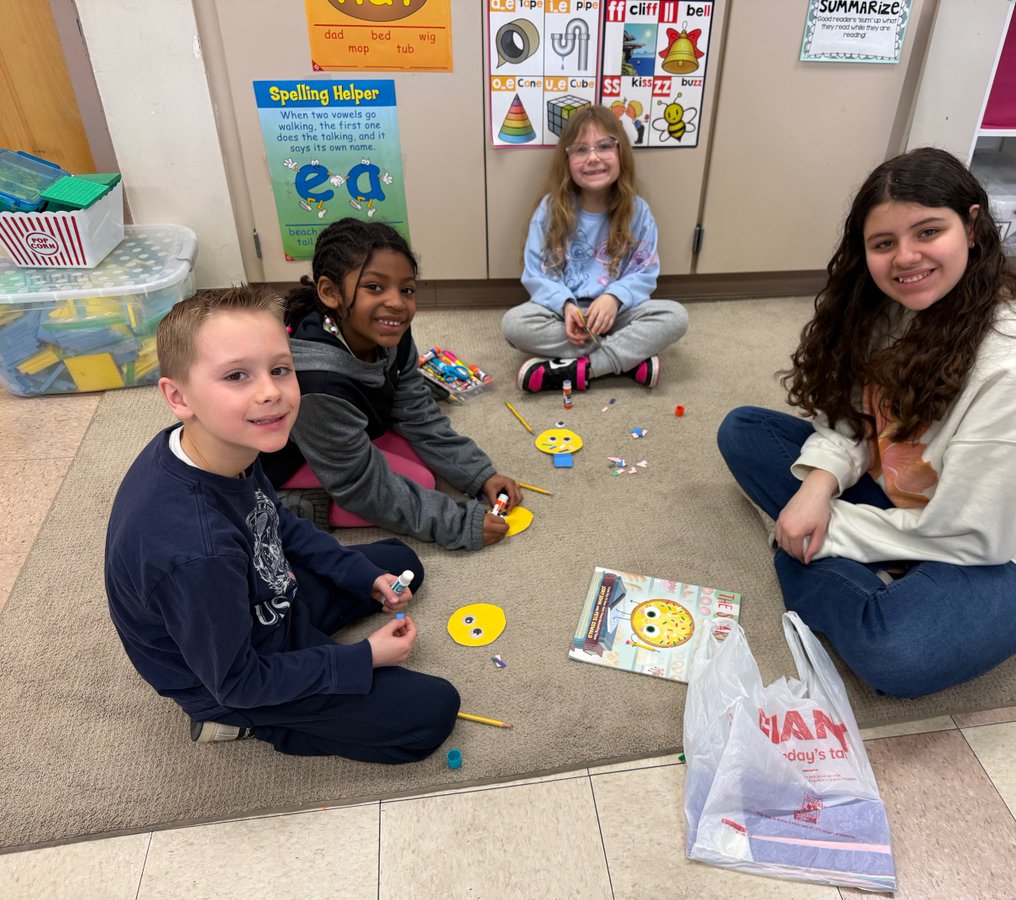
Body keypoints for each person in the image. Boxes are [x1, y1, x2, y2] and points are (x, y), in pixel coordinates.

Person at [717, 147, 1016, 699]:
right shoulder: (894, 305)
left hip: (1008, 551)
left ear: (971, 226)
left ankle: (815, 559)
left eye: (927, 232)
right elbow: (855, 418)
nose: (905, 258)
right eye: (884, 243)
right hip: (910, 501)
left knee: (896, 653)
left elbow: (979, 535)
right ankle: (872, 559)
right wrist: (819, 486)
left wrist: (828, 529)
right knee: (744, 432)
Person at [105, 287, 459, 763]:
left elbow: (275, 526)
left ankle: (313, 635)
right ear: (178, 396)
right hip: (230, 680)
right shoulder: (196, 551)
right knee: (433, 712)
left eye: (279, 369)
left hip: (257, 601)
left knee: (396, 562)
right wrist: (362, 658)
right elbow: (239, 679)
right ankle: (243, 724)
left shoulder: (222, 443)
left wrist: (361, 576)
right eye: (236, 375)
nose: (270, 391)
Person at [260, 218, 521, 550]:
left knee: (423, 469)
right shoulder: (318, 381)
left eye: (407, 289)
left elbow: (416, 410)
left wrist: (478, 473)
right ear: (330, 292)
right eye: (374, 287)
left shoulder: (389, 329)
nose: (397, 303)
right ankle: (281, 505)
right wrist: (452, 521)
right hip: (280, 459)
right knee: (418, 482)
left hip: (338, 429)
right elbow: (361, 486)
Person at [502, 104, 687, 394]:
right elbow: (537, 273)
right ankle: (628, 359)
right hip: (565, 316)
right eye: (580, 150)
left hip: (620, 314)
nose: (593, 158)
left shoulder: (638, 211)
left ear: (620, 153)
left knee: (675, 317)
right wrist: (566, 305)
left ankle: (583, 368)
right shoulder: (551, 209)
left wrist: (614, 298)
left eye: (604, 146)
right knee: (514, 325)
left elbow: (644, 273)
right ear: (567, 159)